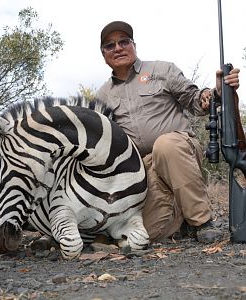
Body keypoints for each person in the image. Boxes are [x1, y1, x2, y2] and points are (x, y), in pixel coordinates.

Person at [96, 21, 240, 244]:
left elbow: (195, 101)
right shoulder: (102, 96)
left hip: (178, 148)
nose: (118, 48)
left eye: (124, 41)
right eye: (110, 45)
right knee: (148, 233)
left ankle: (201, 222)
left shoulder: (162, 70)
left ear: (134, 45)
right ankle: (179, 217)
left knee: (166, 145)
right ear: (104, 54)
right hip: (142, 168)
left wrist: (217, 93)